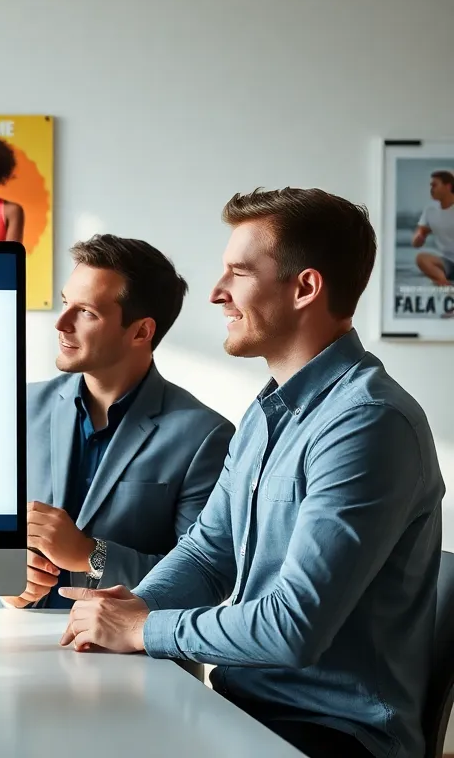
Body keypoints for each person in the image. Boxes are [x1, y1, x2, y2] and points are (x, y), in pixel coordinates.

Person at [58, 188, 444, 758]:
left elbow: (293, 627)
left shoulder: (367, 423)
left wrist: (141, 630)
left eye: (237, 273)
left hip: (330, 733)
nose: (216, 293)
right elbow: (208, 553)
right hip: (246, 707)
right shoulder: (268, 413)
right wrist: (137, 604)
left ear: (305, 288)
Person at [0, 235, 233, 611]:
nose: (61, 322)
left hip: (134, 660)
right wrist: (3, 574)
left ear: (141, 332)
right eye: (66, 302)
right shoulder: (17, 407)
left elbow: (204, 580)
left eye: (86, 312)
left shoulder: (204, 436)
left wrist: (91, 555)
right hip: (11, 643)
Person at [413, 170, 454, 292]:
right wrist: (419, 237)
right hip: (447, 263)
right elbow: (416, 242)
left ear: (448, 186)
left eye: (435, 185)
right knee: (421, 258)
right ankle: (446, 286)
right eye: (431, 185)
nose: (431, 188)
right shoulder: (430, 211)